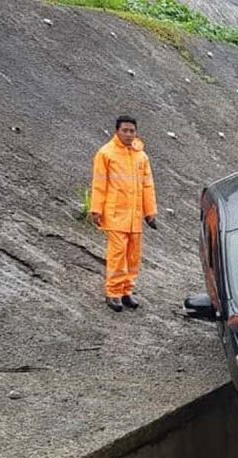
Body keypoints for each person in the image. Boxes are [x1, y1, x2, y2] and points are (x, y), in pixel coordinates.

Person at [90, 115, 158, 312]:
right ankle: (113, 293)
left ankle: (127, 290)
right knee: (117, 254)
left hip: (135, 216)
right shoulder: (106, 153)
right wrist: (96, 209)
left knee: (133, 256)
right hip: (115, 213)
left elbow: (148, 186)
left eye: (132, 131)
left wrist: (150, 212)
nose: (129, 134)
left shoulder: (141, 156)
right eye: (125, 131)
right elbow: (99, 183)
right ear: (117, 131)